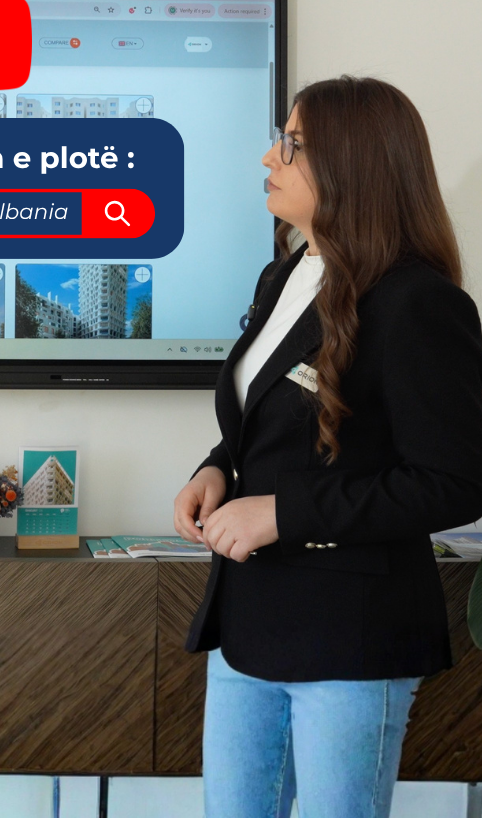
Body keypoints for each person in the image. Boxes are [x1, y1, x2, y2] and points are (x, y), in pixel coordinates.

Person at [173, 76, 482, 818]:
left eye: (294, 144)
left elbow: (457, 480)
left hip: (351, 638)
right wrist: (217, 467)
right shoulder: (284, 274)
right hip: (250, 626)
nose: (268, 157)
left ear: (354, 165)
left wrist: (283, 512)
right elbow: (276, 416)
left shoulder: (418, 302)